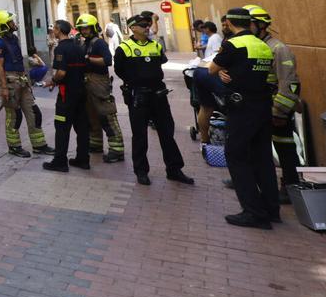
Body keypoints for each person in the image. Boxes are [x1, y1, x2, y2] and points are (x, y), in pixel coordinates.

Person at [209, 8, 280, 229]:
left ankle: (253, 212)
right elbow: (257, 72)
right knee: (263, 158)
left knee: (237, 156)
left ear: (230, 23)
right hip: (263, 105)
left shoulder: (233, 44)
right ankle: (272, 209)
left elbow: (212, 69)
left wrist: (222, 72)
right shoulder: (263, 45)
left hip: (242, 107)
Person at [114, 14, 195, 187]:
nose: (147, 27)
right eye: (143, 25)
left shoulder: (156, 46)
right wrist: (135, 82)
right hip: (138, 97)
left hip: (158, 96)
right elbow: (119, 70)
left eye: (147, 24)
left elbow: (161, 62)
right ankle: (141, 171)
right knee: (140, 135)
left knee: (167, 133)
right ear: (133, 28)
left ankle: (174, 170)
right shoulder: (124, 48)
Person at [246, 5, 301, 202]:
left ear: (261, 25)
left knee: (285, 148)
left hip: (276, 110)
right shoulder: (255, 46)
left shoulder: (278, 49)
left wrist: (280, 111)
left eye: (248, 24)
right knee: (257, 148)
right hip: (259, 108)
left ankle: (290, 187)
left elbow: (290, 83)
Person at [0, 10, 53, 158]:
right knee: (14, 116)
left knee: (34, 112)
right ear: (4, 25)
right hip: (11, 82)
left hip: (22, 80)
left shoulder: (14, 39)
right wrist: (4, 87)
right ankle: (14, 147)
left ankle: (39, 145)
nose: (14, 24)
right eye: (11, 22)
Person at [42, 20, 90, 173]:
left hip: (66, 95)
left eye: (54, 29)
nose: (53, 32)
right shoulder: (78, 47)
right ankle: (83, 159)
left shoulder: (61, 49)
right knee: (81, 127)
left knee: (62, 127)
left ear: (59, 30)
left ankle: (60, 162)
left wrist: (52, 81)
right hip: (81, 92)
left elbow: (61, 73)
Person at [76, 14, 126, 163]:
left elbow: (107, 60)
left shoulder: (99, 43)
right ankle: (96, 144)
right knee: (91, 115)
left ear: (93, 28)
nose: (84, 31)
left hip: (99, 82)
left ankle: (117, 150)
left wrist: (88, 59)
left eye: (86, 28)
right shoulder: (84, 43)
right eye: (81, 29)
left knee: (106, 115)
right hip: (87, 82)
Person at [193, 21, 224, 141]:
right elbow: (218, 55)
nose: (203, 31)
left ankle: (204, 140)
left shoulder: (215, 38)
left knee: (205, 107)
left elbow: (217, 53)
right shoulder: (215, 38)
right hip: (210, 69)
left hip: (203, 68)